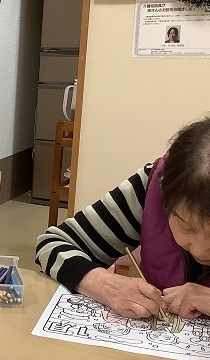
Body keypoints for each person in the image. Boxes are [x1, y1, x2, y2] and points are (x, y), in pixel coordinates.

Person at [36, 117, 210, 320]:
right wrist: (104, 284)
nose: (199, 250)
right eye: (186, 225)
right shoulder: (152, 187)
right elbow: (52, 244)